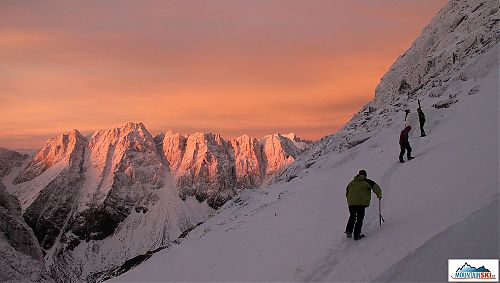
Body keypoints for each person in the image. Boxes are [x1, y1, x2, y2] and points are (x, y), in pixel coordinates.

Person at [345, 170, 382, 241]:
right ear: (365, 175)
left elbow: (347, 191)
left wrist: (350, 199)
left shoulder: (351, 182)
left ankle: (348, 231)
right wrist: (379, 195)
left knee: (352, 216)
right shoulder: (367, 181)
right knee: (359, 219)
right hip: (361, 203)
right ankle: (356, 235)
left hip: (351, 203)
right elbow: (376, 187)